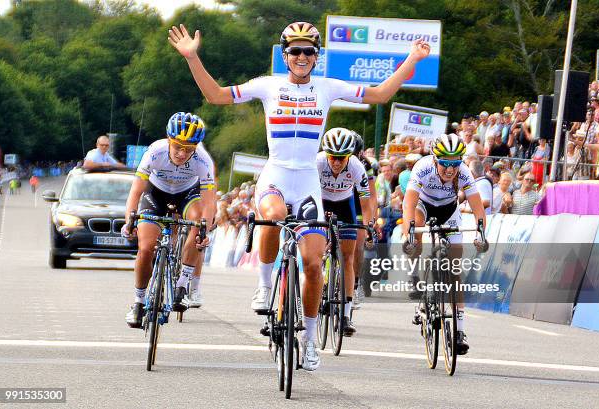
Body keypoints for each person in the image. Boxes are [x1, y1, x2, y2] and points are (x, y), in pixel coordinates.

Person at [169, 21, 430, 371]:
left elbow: (380, 94)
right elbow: (215, 95)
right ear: (285, 55)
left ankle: (308, 340)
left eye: (309, 51)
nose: (302, 56)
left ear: (317, 55)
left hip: (307, 181)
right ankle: (263, 288)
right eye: (295, 51)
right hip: (275, 176)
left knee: (313, 263)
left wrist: (411, 60)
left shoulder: (327, 87)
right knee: (274, 217)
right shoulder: (267, 85)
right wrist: (191, 58)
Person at [122, 112, 217, 328]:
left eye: (189, 149)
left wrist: (205, 231)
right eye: (177, 147)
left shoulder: (203, 160)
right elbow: (135, 192)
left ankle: (182, 284)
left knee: (198, 222)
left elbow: (209, 202)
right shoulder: (155, 152)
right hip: (156, 193)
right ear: (168, 140)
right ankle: (138, 301)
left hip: (187, 194)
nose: (182, 153)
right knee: (145, 247)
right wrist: (129, 220)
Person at [403, 134, 486, 355]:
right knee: (416, 233)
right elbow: (408, 205)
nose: (450, 170)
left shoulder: (465, 173)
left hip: (449, 212)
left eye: (455, 164)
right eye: (445, 164)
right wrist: (409, 235)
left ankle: (460, 331)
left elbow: (478, 209)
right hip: (423, 207)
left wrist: (481, 233)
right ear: (434, 160)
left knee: (455, 269)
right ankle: (417, 278)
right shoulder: (422, 168)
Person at [317, 128, 372, 335]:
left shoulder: (357, 167)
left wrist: (365, 226)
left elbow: (365, 203)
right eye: (333, 157)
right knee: (316, 249)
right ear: (327, 154)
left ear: (349, 156)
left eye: (342, 158)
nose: (337, 162)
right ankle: (321, 277)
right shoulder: (318, 162)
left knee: (348, 258)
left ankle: (346, 315)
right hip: (321, 202)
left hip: (344, 204)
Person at [351, 131, 378, 309]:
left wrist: (371, 222)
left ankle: (355, 283)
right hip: (334, 199)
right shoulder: (330, 160)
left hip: (358, 201)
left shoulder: (365, 164)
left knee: (358, 244)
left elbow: (372, 196)